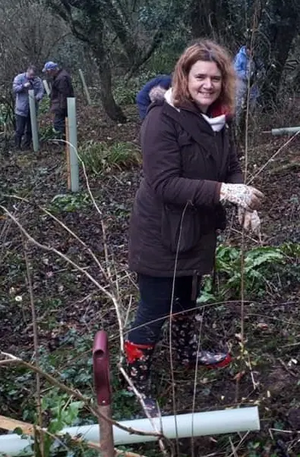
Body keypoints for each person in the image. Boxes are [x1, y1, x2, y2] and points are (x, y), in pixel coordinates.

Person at [126, 40, 264, 415]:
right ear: (184, 77)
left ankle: (188, 354)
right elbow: (164, 184)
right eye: (200, 76)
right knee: (154, 309)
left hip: (199, 229)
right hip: (161, 232)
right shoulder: (162, 118)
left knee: (188, 296)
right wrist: (224, 191)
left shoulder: (220, 118)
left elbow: (230, 163)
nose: (208, 85)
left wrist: (241, 202)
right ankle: (136, 380)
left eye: (216, 78)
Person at [12, 65, 44, 150]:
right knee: (20, 130)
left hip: (32, 109)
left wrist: (37, 97)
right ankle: (17, 147)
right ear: (27, 72)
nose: (32, 77)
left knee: (30, 129)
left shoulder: (38, 80)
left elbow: (41, 91)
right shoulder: (19, 78)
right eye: (30, 75)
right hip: (21, 109)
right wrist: (23, 86)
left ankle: (26, 146)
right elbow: (15, 89)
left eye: (33, 75)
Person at [42, 61, 74, 136]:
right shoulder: (61, 76)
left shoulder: (61, 78)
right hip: (62, 104)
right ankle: (65, 139)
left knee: (58, 124)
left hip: (61, 105)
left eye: (47, 71)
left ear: (51, 70)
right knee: (62, 123)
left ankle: (62, 141)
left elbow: (64, 93)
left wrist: (62, 108)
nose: (47, 73)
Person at [234, 43, 265, 120]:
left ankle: (250, 121)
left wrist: (260, 73)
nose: (252, 52)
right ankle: (237, 123)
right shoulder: (240, 57)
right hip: (241, 83)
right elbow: (235, 71)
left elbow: (261, 67)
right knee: (239, 104)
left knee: (252, 103)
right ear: (247, 49)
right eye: (251, 50)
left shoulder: (255, 57)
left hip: (253, 84)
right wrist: (247, 75)